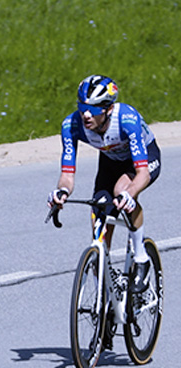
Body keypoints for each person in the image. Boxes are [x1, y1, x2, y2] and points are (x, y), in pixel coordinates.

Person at [47, 75, 161, 293]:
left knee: (121, 191)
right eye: (82, 107)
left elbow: (143, 174)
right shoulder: (71, 125)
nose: (86, 114)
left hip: (143, 160)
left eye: (95, 109)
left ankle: (141, 258)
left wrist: (130, 193)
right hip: (110, 162)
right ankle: (107, 293)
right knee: (100, 209)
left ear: (108, 109)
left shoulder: (127, 120)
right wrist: (61, 191)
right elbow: (67, 174)